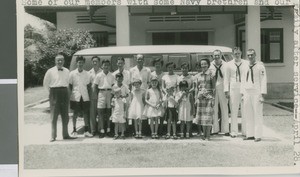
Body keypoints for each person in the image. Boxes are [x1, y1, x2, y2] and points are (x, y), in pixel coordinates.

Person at [43, 54, 76, 142]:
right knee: (54, 116)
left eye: (61, 60)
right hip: (54, 93)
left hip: (64, 92)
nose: (60, 62)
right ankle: (53, 136)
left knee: (65, 116)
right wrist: (50, 94)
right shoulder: (50, 71)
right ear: (55, 61)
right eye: (58, 60)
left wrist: (68, 94)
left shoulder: (67, 71)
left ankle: (66, 134)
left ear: (64, 61)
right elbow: (45, 84)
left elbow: (69, 83)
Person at [241, 49, 267, 142]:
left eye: (252, 55)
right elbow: (243, 80)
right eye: (248, 55)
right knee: (248, 114)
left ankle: (258, 135)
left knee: (257, 114)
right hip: (247, 92)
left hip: (257, 92)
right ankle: (250, 134)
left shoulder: (260, 66)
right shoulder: (245, 66)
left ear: (255, 55)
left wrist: (262, 95)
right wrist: (242, 93)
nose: (250, 57)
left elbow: (263, 80)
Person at [224, 47, 249, 138]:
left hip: (244, 88)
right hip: (233, 88)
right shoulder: (228, 64)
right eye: (235, 53)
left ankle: (245, 131)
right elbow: (226, 78)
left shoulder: (246, 63)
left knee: (244, 109)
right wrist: (226, 90)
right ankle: (234, 131)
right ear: (232, 54)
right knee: (234, 110)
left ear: (241, 53)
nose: (237, 55)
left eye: (238, 53)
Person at [69, 56, 93, 138]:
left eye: (82, 62)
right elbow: (70, 85)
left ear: (84, 63)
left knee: (86, 113)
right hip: (75, 96)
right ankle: (74, 130)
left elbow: (88, 86)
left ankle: (86, 131)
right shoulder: (72, 73)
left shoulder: (87, 74)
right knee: (75, 113)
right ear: (76, 63)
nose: (80, 64)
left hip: (85, 96)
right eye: (79, 62)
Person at [93, 59, 115, 138]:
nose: (106, 66)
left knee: (109, 112)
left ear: (109, 66)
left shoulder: (112, 75)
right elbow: (95, 86)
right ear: (102, 66)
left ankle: (108, 130)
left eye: (107, 65)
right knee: (101, 112)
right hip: (101, 93)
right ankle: (102, 130)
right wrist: (96, 96)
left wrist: (113, 95)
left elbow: (113, 86)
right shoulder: (98, 75)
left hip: (109, 93)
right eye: (104, 65)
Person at [209, 49, 229, 136]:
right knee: (214, 109)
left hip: (223, 88)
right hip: (214, 89)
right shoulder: (210, 65)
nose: (216, 57)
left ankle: (226, 130)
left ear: (221, 55)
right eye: (215, 55)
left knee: (224, 108)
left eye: (218, 55)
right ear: (212, 56)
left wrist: (227, 90)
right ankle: (214, 129)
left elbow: (227, 78)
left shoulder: (226, 65)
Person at [195, 58, 216, 141]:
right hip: (200, 99)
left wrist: (213, 98)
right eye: (202, 64)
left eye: (205, 64)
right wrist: (196, 98)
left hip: (209, 98)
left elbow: (214, 88)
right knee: (202, 118)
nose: (203, 66)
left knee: (208, 117)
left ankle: (208, 135)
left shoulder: (212, 74)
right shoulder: (198, 75)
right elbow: (197, 88)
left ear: (208, 64)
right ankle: (204, 134)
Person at [151, 57, 165, 135]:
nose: (157, 65)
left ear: (161, 65)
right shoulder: (152, 74)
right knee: (154, 112)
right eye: (156, 64)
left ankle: (161, 128)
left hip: (161, 93)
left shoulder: (163, 74)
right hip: (154, 94)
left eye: (159, 64)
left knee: (161, 111)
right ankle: (154, 130)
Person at [88, 56, 102, 136]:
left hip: (100, 95)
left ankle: (100, 130)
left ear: (99, 62)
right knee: (92, 114)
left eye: (96, 61)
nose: (95, 63)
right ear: (92, 62)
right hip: (92, 96)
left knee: (100, 114)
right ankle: (93, 130)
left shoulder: (102, 72)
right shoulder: (89, 73)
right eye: (93, 61)